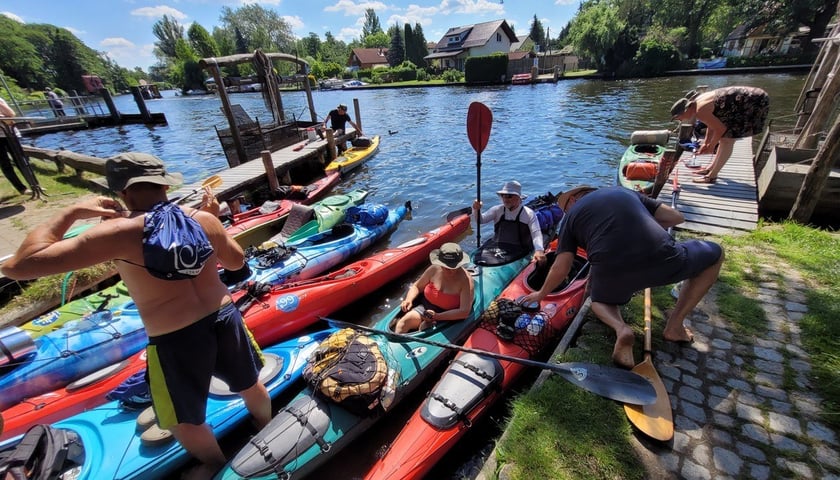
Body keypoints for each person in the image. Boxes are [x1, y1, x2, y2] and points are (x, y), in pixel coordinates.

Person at [0, 152, 270, 478]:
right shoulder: (203, 219)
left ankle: (217, 466)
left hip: (176, 337)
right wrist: (212, 226)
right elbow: (236, 264)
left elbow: (19, 265)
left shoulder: (117, 233)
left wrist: (71, 212)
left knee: (181, 421)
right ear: (164, 184)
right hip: (225, 317)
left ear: (122, 192)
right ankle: (267, 429)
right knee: (250, 384)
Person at [522, 186, 724, 369]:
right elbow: (676, 218)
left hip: (613, 268)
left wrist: (540, 295)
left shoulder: (571, 217)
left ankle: (621, 329)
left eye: (565, 207)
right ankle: (675, 326)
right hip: (662, 257)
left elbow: (561, 267)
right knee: (716, 253)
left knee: (599, 302)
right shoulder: (624, 192)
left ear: (573, 201)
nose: (566, 211)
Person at [670, 86, 769, 184]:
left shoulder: (700, 111)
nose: (680, 120)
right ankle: (710, 169)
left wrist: (712, 146)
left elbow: (720, 129)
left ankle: (712, 177)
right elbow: (711, 125)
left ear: (686, 110)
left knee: (727, 140)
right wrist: (706, 143)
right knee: (724, 138)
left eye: (678, 117)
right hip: (743, 101)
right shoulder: (697, 104)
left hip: (753, 101)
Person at [394, 242, 474, 334]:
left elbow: (464, 312)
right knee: (403, 323)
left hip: (448, 315)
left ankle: (427, 325)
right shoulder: (433, 269)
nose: (449, 270)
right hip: (426, 308)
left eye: (453, 267)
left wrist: (437, 316)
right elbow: (416, 286)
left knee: (424, 330)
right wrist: (409, 299)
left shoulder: (465, 280)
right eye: (445, 266)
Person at [473, 181, 546, 264]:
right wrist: (476, 209)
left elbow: (536, 234)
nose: (505, 199)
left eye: (509, 196)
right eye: (503, 196)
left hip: (520, 249)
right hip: (498, 245)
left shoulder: (528, 214)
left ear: (519, 198)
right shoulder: (497, 210)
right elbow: (481, 220)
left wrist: (539, 250)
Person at [0, 96, 29, 194]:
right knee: (5, 164)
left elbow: (11, 116)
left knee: (21, 160)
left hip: (10, 134)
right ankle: (22, 189)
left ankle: (34, 185)